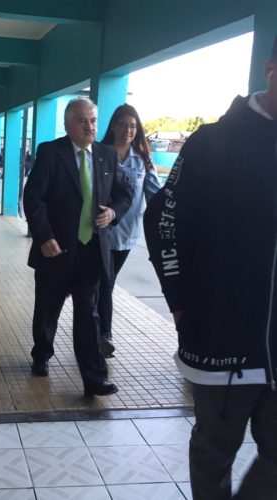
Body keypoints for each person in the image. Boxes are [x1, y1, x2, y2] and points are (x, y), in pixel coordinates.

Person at [144, 39, 277, 500]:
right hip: (222, 335)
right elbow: (163, 220)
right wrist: (180, 303)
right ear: (270, 68)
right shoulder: (213, 142)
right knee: (214, 452)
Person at [23, 97, 134, 396]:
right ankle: (42, 353)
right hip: (56, 249)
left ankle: (94, 378)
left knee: (88, 315)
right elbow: (34, 198)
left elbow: (125, 192)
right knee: (48, 308)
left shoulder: (107, 155)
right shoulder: (50, 152)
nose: (89, 127)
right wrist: (44, 236)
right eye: (83, 121)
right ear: (68, 124)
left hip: (91, 252)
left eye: (93, 120)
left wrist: (113, 213)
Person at [98, 104, 161, 357]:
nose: (128, 130)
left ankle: (97, 329)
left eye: (133, 126)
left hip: (126, 235)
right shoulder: (99, 153)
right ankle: (104, 335)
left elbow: (155, 195)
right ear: (113, 126)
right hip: (99, 232)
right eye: (123, 125)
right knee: (104, 282)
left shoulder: (143, 160)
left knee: (106, 282)